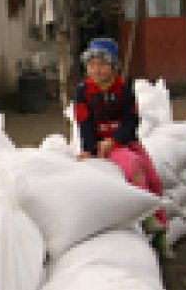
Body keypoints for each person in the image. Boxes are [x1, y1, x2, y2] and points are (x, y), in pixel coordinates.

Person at [73, 38, 173, 259]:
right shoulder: (83, 92)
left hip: (124, 141)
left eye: (102, 64)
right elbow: (84, 123)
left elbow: (131, 121)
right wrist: (90, 150)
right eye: (91, 65)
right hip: (102, 147)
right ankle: (145, 216)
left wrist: (116, 140)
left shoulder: (123, 89)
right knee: (132, 165)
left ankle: (162, 233)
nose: (96, 70)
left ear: (113, 66)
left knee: (154, 179)